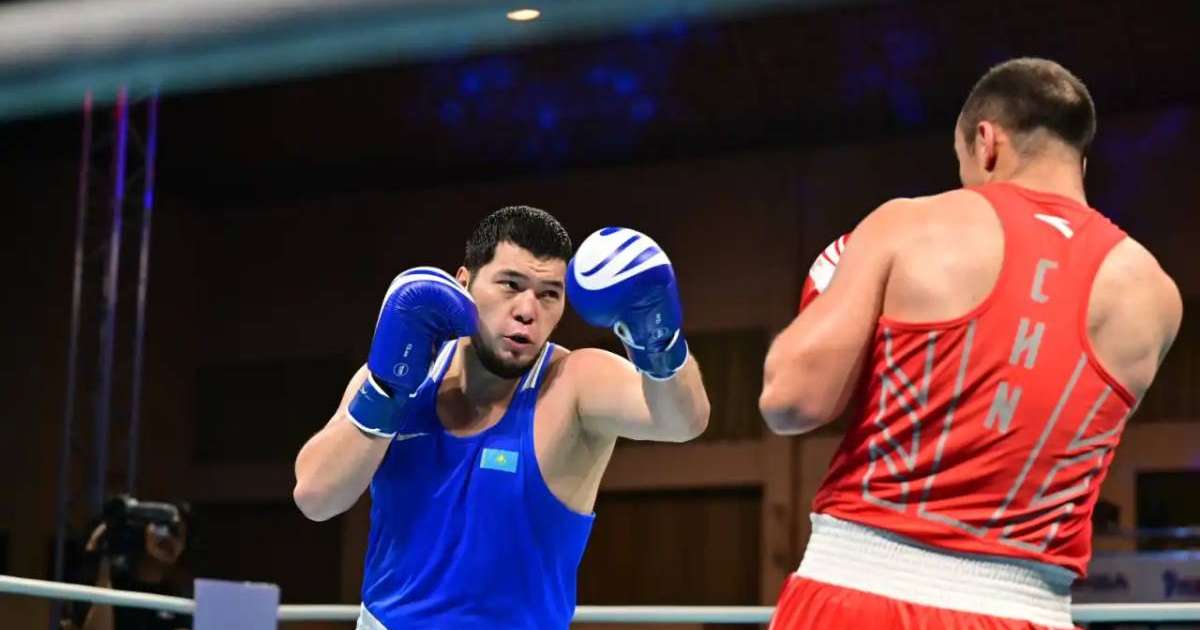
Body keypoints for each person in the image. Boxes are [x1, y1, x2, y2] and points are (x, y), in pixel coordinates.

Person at [760, 58, 1182, 629]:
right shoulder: (1155, 294)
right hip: (1029, 610)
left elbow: (790, 403)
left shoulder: (909, 224)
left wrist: (830, 294)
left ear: (986, 143)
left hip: (859, 593)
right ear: (1079, 161)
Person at [293, 206, 710, 629]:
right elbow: (315, 498)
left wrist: (661, 342)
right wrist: (385, 393)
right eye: (511, 285)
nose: (528, 310)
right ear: (464, 283)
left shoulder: (574, 382)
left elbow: (681, 423)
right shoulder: (401, 374)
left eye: (549, 293)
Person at [68, 505, 191, 630]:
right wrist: (104, 556)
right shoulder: (110, 584)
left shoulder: (179, 598)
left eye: (177, 533)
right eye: (164, 529)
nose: (169, 540)